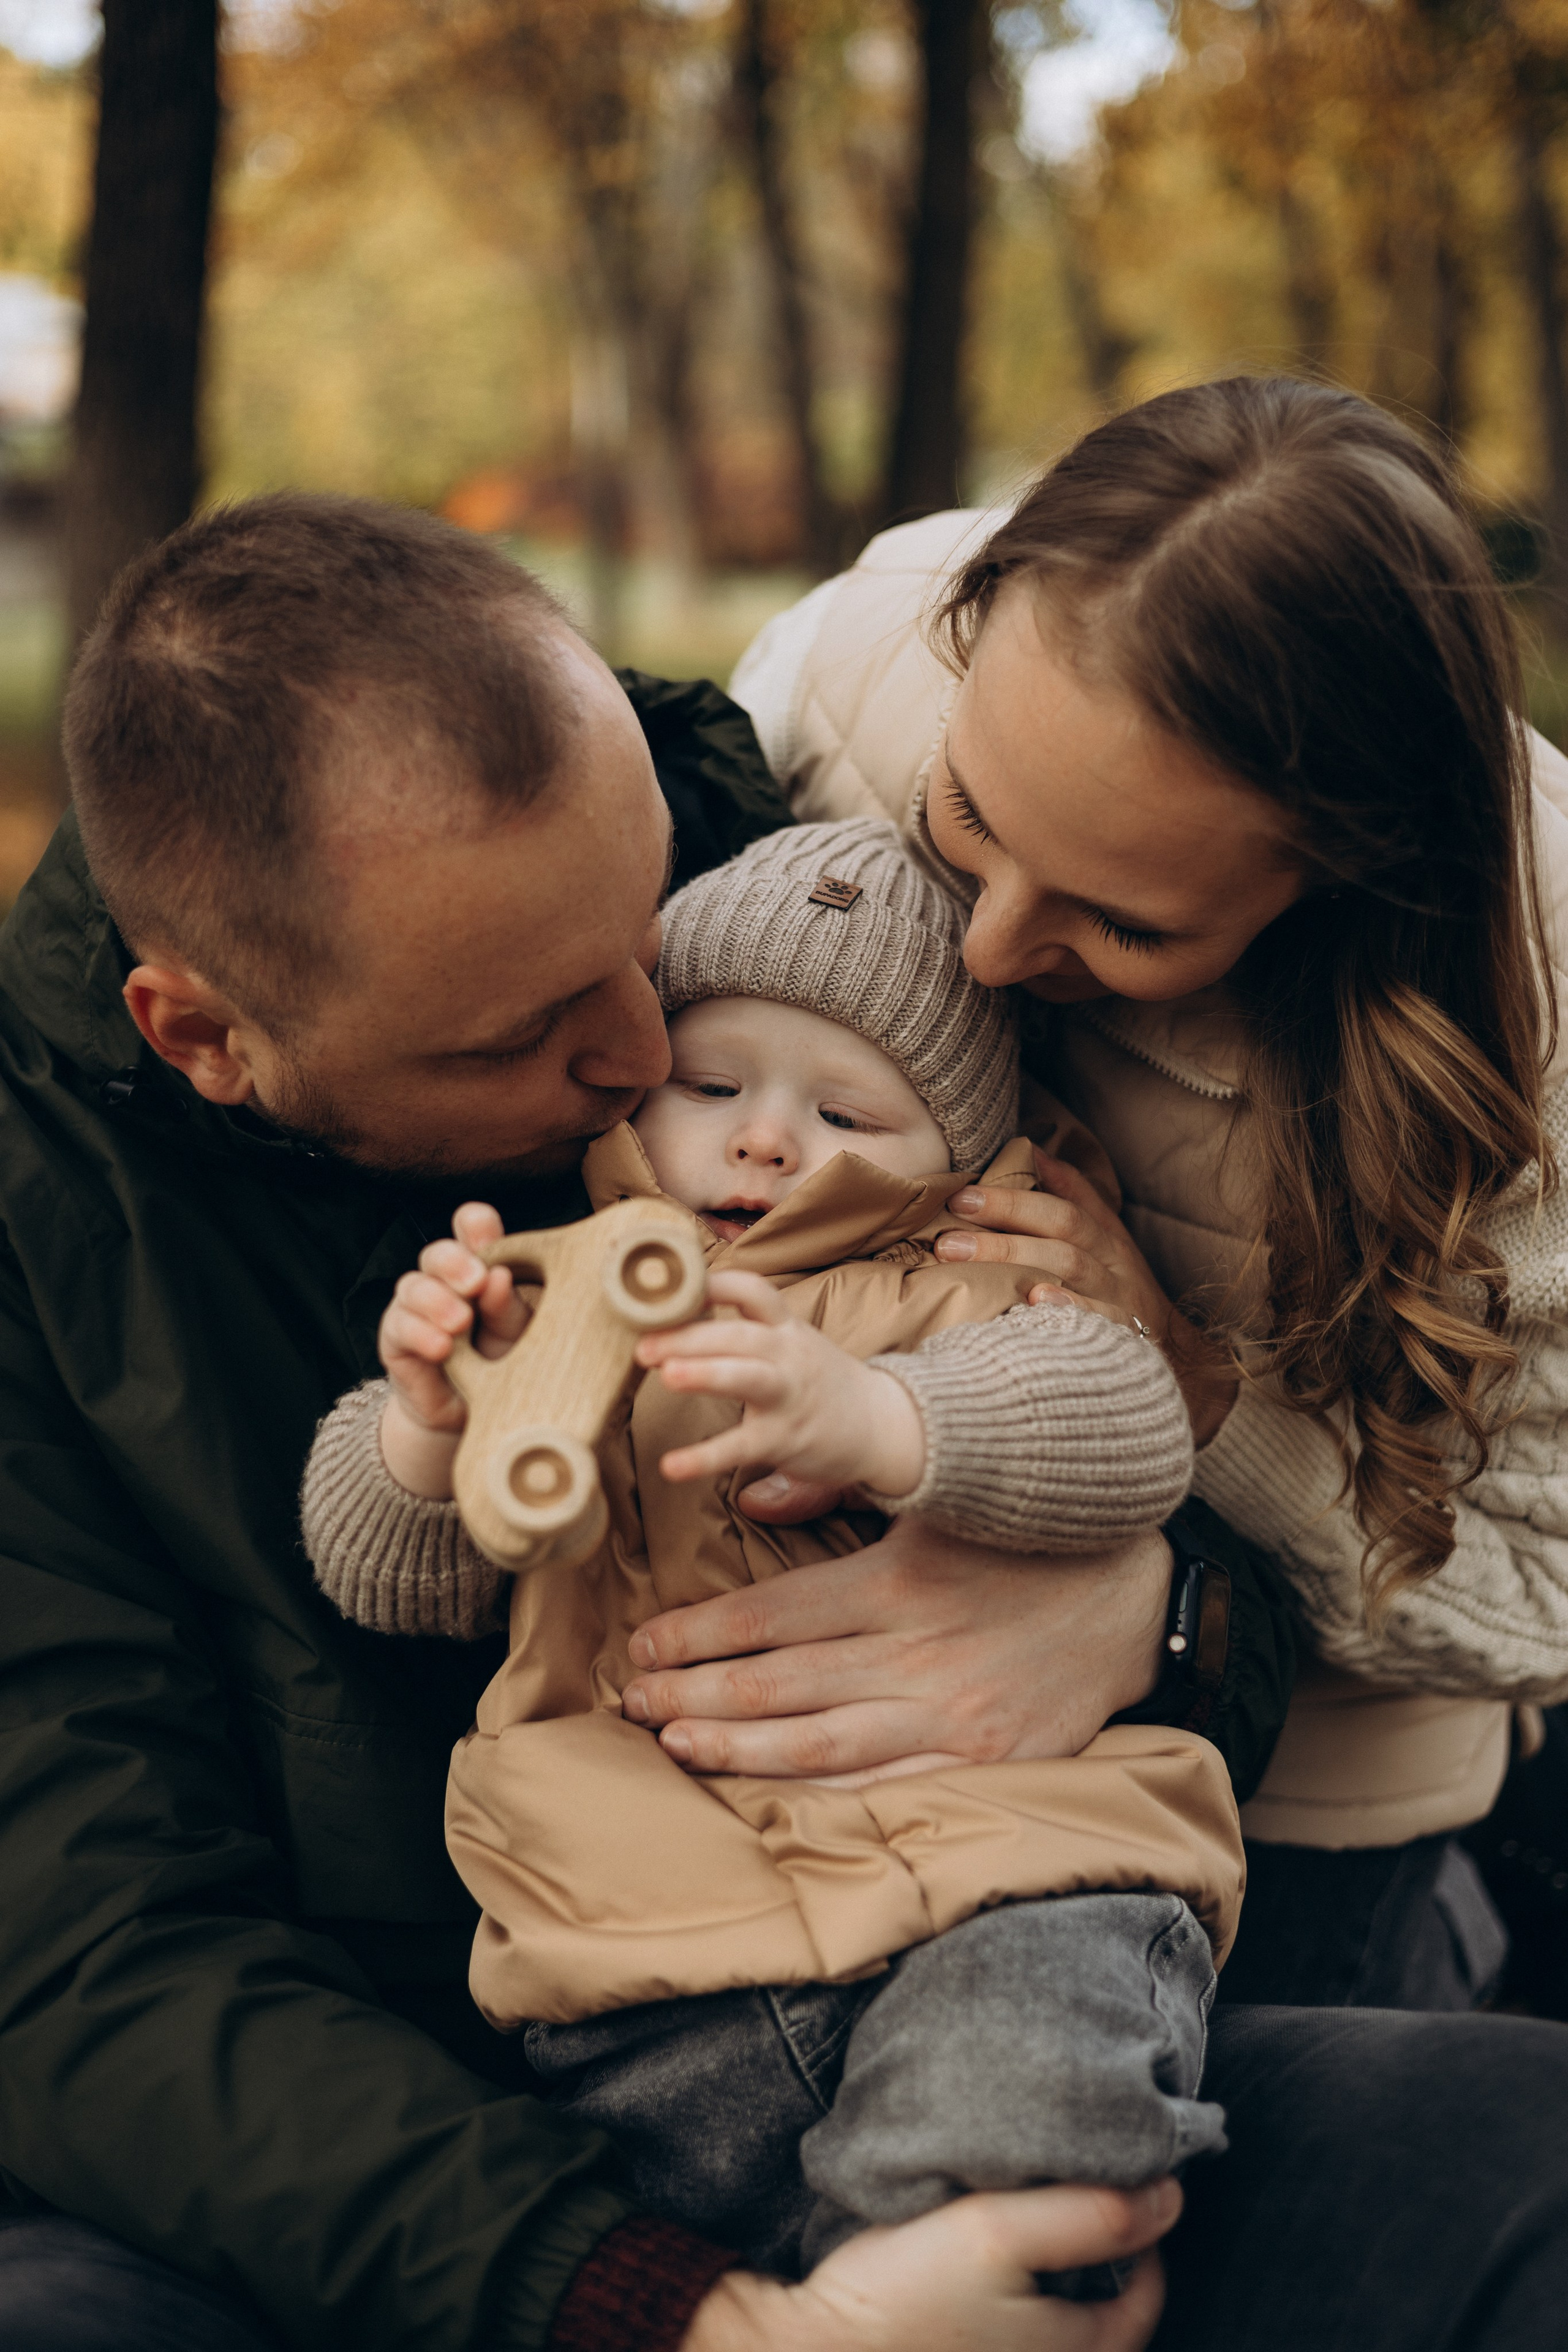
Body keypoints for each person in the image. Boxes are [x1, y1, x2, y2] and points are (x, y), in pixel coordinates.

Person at [2, 485, 1567, 2352]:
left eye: (642, 953)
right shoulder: (46, 1249)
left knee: (1511, 2152)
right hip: (466, 2116)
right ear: (204, 1036)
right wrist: (681, 2317)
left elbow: (1114, 1396)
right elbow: (93, 1967)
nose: (658, 1064)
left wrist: (1153, 1603)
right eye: (523, 1039)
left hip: (967, 1939)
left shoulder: (773, 851)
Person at [303, 816, 1280, 2277]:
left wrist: (878, 1415)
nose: (766, 1136)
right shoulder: (566, 1293)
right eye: (713, 1084)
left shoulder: (972, 1281)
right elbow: (393, 1579)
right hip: (651, 1954)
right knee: (733, 2228)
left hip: (1005, 1884)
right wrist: (435, 1428)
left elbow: (1125, 1421)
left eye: (846, 1114)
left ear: (958, 1153)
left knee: (1006, 2151)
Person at [722, 373, 1568, 2008]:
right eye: (966, 818)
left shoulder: (1545, 1009)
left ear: (1347, 882)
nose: (988, 951)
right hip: (790, 1741)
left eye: (1124, 927)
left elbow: (1539, 1594)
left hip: (1287, 1831)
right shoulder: (858, 659)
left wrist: (1200, 1404)